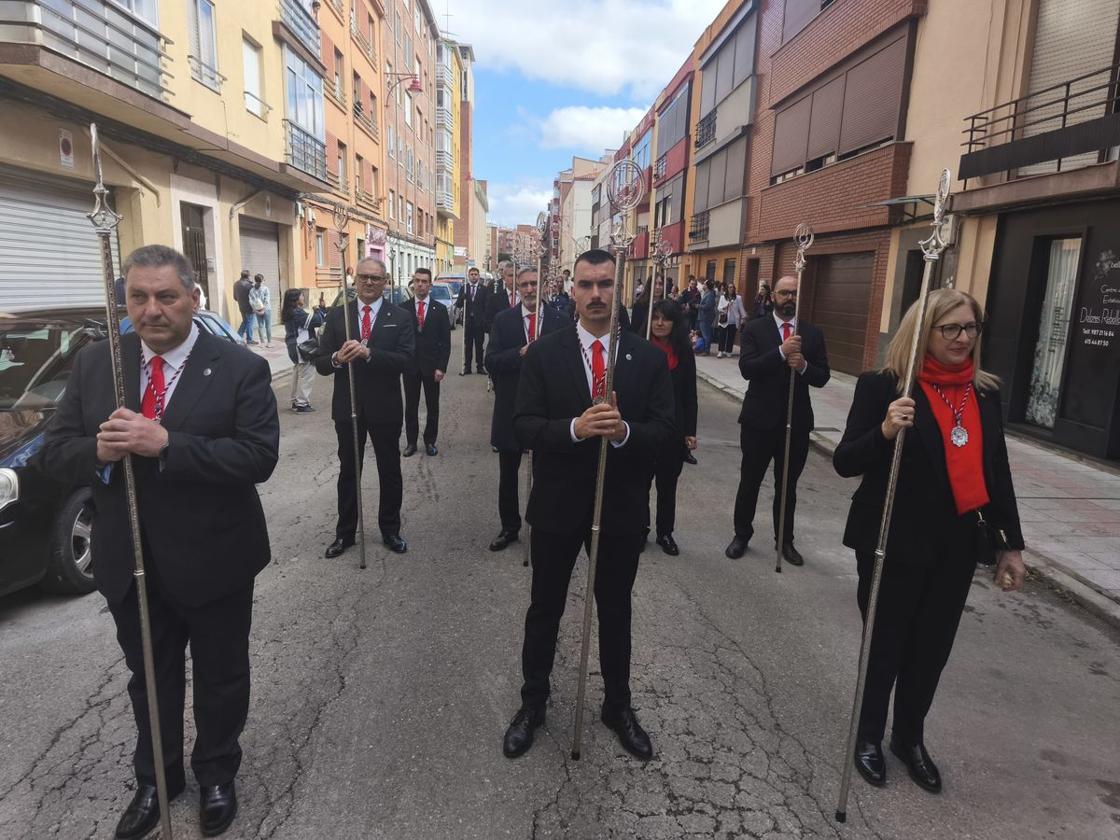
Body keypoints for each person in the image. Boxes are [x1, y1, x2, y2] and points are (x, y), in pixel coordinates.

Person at [37, 245, 279, 839]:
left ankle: (217, 770)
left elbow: (257, 457)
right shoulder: (100, 364)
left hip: (215, 557)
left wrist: (165, 441)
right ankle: (158, 779)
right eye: (137, 297)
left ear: (194, 299)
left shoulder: (238, 366)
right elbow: (55, 451)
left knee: (222, 675)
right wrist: (99, 450)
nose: (151, 311)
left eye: (166, 296)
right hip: (130, 558)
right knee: (150, 675)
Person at [833, 288, 1026, 793]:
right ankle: (869, 735)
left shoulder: (984, 392)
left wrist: (1012, 544)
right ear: (923, 330)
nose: (963, 338)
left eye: (970, 328)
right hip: (891, 540)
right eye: (951, 328)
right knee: (886, 644)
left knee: (931, 649)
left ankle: (909, 738)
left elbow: (996, 470)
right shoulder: (885, 386)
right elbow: (845, 460)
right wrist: (884, 430)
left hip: (956, 545)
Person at [501, 248, 675, 762]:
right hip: (556, 506)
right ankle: (533, 703)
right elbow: (523, 426)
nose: (596, 294)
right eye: (586, 285)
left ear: (618, 287)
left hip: (619, 509)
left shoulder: (644, 357)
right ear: (571, 291)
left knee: (615, 610)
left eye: (605, 284)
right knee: (545, 609)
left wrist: (624, 432)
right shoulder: (546, 352)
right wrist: (576, 428)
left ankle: (617, 706)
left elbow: (666, 433)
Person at [314, 257, 416, 557]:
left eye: (376, 278)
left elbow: (406, 360)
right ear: (355, 280)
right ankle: (345, 533)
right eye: (364, 277)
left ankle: (390, 529)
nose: (369, 282)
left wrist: (370, 353)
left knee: (390, 470)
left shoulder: (399, 316)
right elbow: (320, 363)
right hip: (348, 407)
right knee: (349, 471)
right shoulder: (337, 316)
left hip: (385, 407)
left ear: (385, 282)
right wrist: (337, 358)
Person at [726, 275, 830, 566]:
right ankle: (741, 534)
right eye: (784, 293)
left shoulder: (812, 333)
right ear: (773, 296)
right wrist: (780, 353)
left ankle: (785, 540)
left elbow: (822, 376)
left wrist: (804, 366)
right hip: (759, 421)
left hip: (795, 423)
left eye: (794, 293)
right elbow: (748, 368)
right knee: (750, 481)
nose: (789, 298)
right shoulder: (755, 329)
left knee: (788, 486)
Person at [483, 267, 566, 552]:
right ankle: (510, 527)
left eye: (534, 284)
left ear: (544, 285)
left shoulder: (560, 320)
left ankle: (543, 525)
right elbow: (490, 360)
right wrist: (521, 353)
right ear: (517, 288)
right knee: (508, 474)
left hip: (547, 411)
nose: (530, 290)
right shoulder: (503, 320)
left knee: (546, 473)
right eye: (524, 285)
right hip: (511, 408)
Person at [647, 299, 697, 555]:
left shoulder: (684, 352)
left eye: (665, 318)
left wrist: (690, 430)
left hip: (673, 429)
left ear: (674, 322)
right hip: (643, 428)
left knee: (668, 486)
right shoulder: (639, 347)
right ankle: (640, 528)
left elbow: (690, 393)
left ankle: (665, 532)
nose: (659, 323)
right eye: (655, 317)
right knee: (639, 483)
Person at [402, 268, 450, 457]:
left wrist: (441, 367)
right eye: (417, 281)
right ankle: (411, 442)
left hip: (432, 367)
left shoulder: (439, 310)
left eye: (424, 281)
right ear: (413, 283)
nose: (420, 284)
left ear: (430, 285)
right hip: (410, 367)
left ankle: (430, 441)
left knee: (432, 406)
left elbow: (445, 342)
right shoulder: (404, 308)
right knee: (411, 406)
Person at [281, 288, 324, 413]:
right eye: (301, 296)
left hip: (294, 347)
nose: (303, 297)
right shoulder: (297, 313)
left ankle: (295, 401)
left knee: (297, 374)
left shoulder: (291, 312)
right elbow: (318, 321)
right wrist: (317, 309)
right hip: (302, 348)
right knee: (307, 375)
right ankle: (302, 404)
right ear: (295, 299)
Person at [456, 266, 490, 375]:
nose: (474, 276)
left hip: (479, 322)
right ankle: (467, 367)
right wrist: (463, 297)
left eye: (476, 274)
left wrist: (484, 320)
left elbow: (487, 306)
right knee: (468, 345)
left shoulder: (484, 289)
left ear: (479, 276)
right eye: (472, 274)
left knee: (479, 346)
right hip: (468, 322)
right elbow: (458, 304)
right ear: (468, 276)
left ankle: (480, 366)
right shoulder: (464, 288)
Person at [485, 261, 519, 333]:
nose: (514, 278)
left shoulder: (526, 298)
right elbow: (489, 321)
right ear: (504, 277)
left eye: (516, 275)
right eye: (510, 275)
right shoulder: (494, 299)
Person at [716, 282, 747, 358]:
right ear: (727, 289)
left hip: (733, 320)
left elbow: (741, 308)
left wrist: (744, 317)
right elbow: (719, 308)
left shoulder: (738, 298)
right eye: (730, 287)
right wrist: (725, 307)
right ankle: (720, 351)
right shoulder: (723, 297)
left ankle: (728, 351)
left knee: (731, 336)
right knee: (722, 336)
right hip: (724, 319)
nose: (731, 289)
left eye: (733, 287)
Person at [629, 274, 665, 339]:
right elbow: (634, 329)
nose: (657, 287)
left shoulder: (667, 305)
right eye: (654, 284)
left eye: (660, 284)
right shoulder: (639, 305)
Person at [249, 274, 272, 348]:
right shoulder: (265, 288)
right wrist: (263, 309)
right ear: (262, 280)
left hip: (257, 310)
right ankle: (269, 343)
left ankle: (262, 343)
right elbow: (267, 300)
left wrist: (255, 310)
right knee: (268, 326)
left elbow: (251, 301)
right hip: (267, 309)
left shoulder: (252, 290)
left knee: (260, 326)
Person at [232, 270, 255, 344]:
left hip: (241, 306)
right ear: (248, 276)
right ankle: (249, 339)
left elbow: (235, 297)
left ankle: (237, 336)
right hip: (249, 307)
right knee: (249, 323)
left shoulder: (236, 284)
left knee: (245, 322)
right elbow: (253, 297)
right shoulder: (249, 285)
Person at [697, 280, 717, 355]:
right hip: (703, 316)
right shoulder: (707, 293)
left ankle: (706, 350)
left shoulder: (710, 295)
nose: (703, 285)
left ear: (707, 286)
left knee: (706, 334)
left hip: (706, 317)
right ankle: (704, 349)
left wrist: (699, 306)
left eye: (704, 284)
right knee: (704, 333)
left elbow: (708, 306)